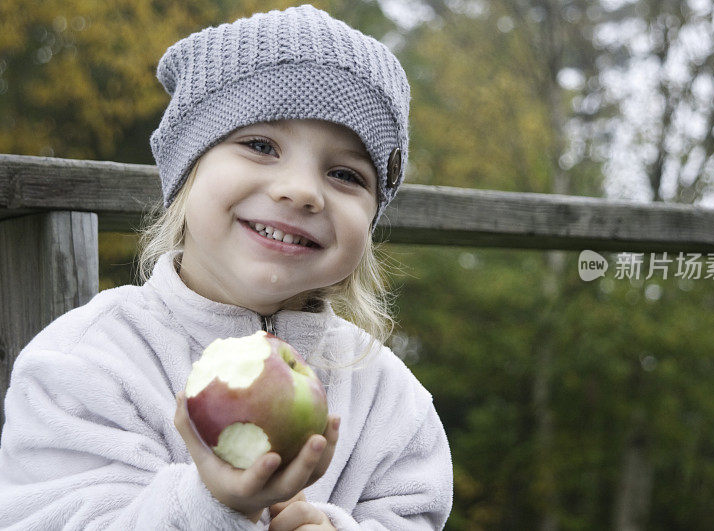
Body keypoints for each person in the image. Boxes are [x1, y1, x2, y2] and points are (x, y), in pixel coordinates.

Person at [0, 5, 453, 529]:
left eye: (345, 174)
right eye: (260, 145)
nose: (302, 190)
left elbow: (413, 513)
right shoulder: (87, 363)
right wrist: (209, 508)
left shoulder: (389, 399)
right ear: (187, 172)